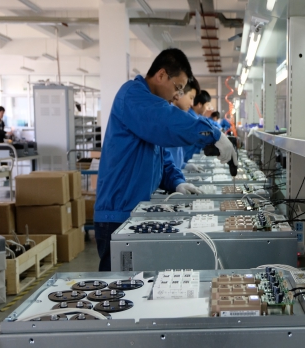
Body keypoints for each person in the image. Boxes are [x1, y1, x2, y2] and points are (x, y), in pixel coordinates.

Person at [94, 48, 237, 271]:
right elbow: (168, 122)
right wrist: (213, 134)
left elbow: (162, 158)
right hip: (117, 215)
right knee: (119, 288)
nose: (177, 95)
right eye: (178, 87)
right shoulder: (132, 96)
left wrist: (177, 182)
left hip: (135, 212)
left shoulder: (149, 108)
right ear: (161, 75)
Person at [167, 77, 203, 172]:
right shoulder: (170, 117)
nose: (192, 103)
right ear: (180, 92)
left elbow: (173, 156)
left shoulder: (177, 115)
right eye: (191, 98)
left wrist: (184, 165)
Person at [183, 90, 213, 162]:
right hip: (186, 157)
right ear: (199, 104)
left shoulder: (197, 118)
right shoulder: (191, 119)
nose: (207, 108)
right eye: (207, 105)